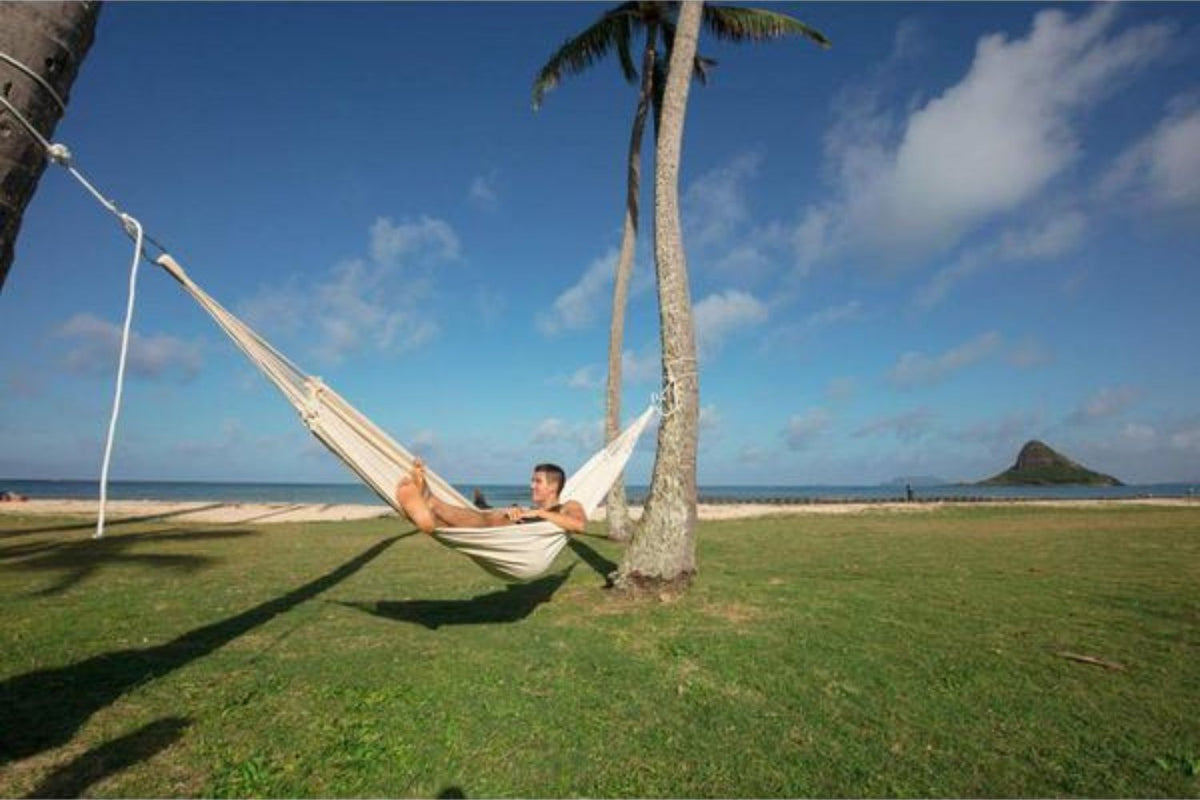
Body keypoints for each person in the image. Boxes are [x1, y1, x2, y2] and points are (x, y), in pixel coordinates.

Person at [395, 461, 586, 535]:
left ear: (553, 486)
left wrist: (538, 513)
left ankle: (430, 503)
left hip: (519, 545)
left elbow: (579, 525)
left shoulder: (569, 505)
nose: (531, 486)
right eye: (532, 480)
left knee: (487, 519)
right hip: (507, 532)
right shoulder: (530, 509)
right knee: (490, 516)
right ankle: (427, 515)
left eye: (537, 481)